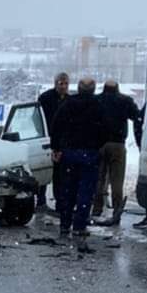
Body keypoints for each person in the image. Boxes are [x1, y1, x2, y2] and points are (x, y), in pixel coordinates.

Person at [50, 78, 106, 246]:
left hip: (69, 153)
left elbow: (56, 126)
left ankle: (65, 225)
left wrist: (56, 148)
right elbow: (107, 129)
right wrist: (97, 145)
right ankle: (79, 225)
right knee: (85, 192)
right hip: (89, 154)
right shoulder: (98, 106)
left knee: (68, 190)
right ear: (94, 89)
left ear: (78, 88)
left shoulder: (68, 104)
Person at [92, 80, 142, 226]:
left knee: (99, 179)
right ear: (117, 88)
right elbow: (137, 116)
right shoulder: (125, 101)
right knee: (117, 181)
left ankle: (96, 209)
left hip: (99, 145)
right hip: (118, 145)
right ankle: (116, 211)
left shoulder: (96, 101)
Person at [37, 72, 71, 212]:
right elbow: (38, 117)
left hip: (63, 140)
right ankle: (40, 199)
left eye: (65, 84)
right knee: (43, 169)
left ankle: (60, 201)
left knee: (60, 174)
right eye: (60, 83)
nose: (63, 86)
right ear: (55, 83)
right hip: (46, 138)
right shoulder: (46, 98)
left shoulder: (70, 100)